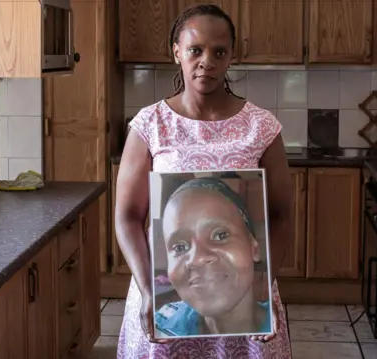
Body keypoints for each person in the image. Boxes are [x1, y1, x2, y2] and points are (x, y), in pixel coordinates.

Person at [114, 3, 293, 358]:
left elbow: (280, 215)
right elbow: (127, 217)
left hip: (244, 299)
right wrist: (149, 290)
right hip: (164, 296)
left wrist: (262, 286)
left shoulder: (262, 127)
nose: (206, 61)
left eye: (219, 51)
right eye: (196, 49)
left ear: (231, 57)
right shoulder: (150, 125)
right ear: (176, 51)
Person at [154, 177, 271, 338]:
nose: (197, 258)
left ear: (254, 248)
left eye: (220, 235)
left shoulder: (277, 329)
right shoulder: (161, 326)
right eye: (180, 247)